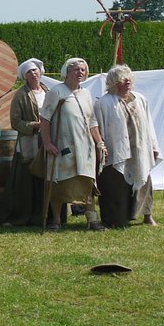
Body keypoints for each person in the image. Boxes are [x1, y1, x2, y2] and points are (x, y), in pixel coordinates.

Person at [39, 57, 107, 232]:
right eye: (76, 69)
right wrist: (47, 143)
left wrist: (99, 142)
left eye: (83, 70)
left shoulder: (85, 93)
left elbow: (92, 121)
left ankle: (92, 220)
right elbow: (45, 119)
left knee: (87, 182)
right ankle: (56, 221)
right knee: (58, 182)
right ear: (66, 72)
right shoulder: (56, 92)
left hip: (85, 147)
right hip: (63, 146)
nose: (80, 73)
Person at [94, 64, 160, 228]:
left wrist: (153, 144)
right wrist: (101, 146)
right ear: (113, 83)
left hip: (139, 149)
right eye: (123, 79)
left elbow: (148, 124)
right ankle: (115, 218)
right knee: (115, 184)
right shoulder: (104, 103)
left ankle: (146, 214)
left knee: (143, 180)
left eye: (129, 78)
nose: (127, 81)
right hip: (116, 150)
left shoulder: (139, 99)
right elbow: (98, 126)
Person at [3, 59, 49, 227]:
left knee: (46, 177)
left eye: (35, 70)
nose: (33, 74)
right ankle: (23, 215)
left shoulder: (48, 92)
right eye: (29, 72)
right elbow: (15, 122)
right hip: (28, 143)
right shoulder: (21, 95)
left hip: (47, 141)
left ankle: (45, 215)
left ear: (41, 72)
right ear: (25, 76)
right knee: (26, 180)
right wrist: (34, 125)